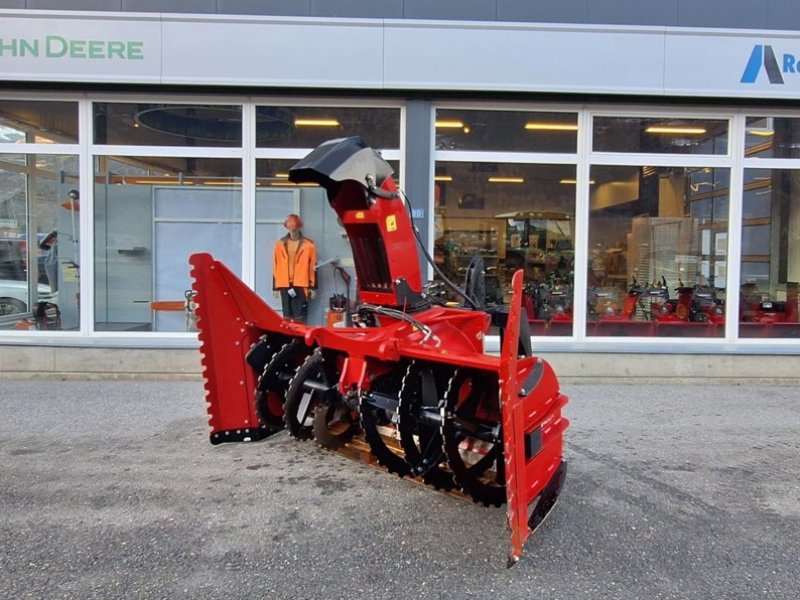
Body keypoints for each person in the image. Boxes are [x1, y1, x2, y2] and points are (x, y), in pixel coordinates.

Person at [273, 213, 317, 322]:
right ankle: (289, 338)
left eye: (295, 229)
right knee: (287, 317)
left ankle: (300, 337)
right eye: (291, 229)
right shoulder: (280, 245)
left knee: (300, 317)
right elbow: (276, 265)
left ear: (299, 228)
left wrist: (313, 287)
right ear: (287, 228)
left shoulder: (309, 245)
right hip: (284, 284)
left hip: (301, 284)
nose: (293, 231)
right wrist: (275, 287)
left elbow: (314, 267)